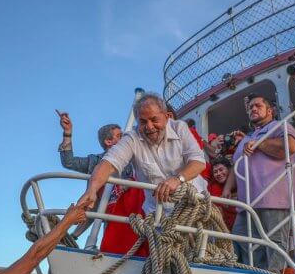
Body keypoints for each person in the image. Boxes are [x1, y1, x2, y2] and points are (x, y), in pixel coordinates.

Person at [78, 92, 207, 216]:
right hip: (158, 215)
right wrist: (92, 189)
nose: (149, 126)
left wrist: (178, 179)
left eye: (154, 119)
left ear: (167, 117)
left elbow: (198, 162)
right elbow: (109, 163)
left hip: (196, 207)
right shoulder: (131, 138)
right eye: (143, 122)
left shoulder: (180, 128)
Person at [223, 95, 295, 272]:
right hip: (246, 204)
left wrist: (260, 144)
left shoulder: (280, 126)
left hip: (274, 199)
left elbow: (290, 146)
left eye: (258, 106)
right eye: (250, 107)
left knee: (275, 243)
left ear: (270, 111)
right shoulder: (246, 138)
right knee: (240, 242)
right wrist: (227, 188)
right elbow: (236, 164)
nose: (253, 109)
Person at [206, 157, 237, 230]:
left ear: (229, 169)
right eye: (215, 172)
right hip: (223, 229)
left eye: (221, 170)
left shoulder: (240, 181)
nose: (218, 174)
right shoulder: (213, 186)